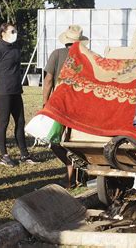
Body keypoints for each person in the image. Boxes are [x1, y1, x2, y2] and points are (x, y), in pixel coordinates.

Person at [0, 23, 38, 167]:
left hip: (16, 91)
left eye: (15, 30)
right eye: (12, 31)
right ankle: (3, 155)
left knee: (20, 122)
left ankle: (24, 154)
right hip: (3, 92)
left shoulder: (15, 48)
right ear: (3, 33)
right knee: (4, 122)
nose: (15, 33)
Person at [43, 25, 88, 188]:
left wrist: (45, 102)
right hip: (80, 105)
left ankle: (70, 172)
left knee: (54, 141)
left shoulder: (56, 54)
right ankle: (75, 173)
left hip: (59, 104)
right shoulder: (86, 56)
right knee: (74, 141)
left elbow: (48, 80)